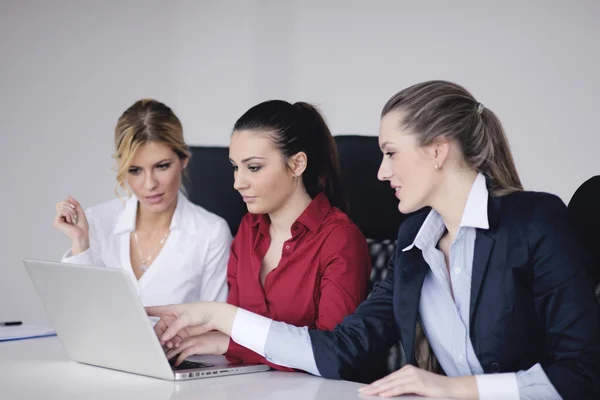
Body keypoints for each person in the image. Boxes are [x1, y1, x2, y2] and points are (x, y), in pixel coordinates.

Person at [148, 81, 600, 399]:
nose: (381, 172)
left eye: (390, 154)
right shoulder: (413, 244)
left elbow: (584, 374)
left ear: (438, 150)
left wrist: (453, 390)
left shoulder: (535, 221)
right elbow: (340, 349)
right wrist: (223, 318)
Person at [162, 100, 372, 373]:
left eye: (254, 167)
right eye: (235, 167)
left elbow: (333, 355)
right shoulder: (249, 230)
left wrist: (228, 344)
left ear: (297, 165)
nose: (238, 182)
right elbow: (239, 330)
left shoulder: (340, 241)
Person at [53, 99, 231, 306]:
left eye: (162, 166)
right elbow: (77, 312)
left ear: (184, 160)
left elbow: (214, 325)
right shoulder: (97, 221)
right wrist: (80, 243)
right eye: (135, 170)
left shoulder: (210, 233)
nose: (149, 184)